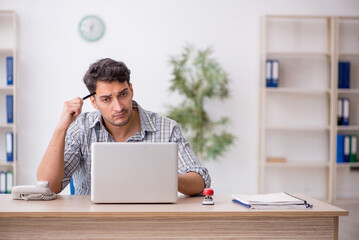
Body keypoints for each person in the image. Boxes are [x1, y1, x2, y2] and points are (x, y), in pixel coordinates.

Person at [37, 58, 211, 195]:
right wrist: (61, 128)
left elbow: (200, 180)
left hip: (148, 223)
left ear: (131, 90)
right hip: (91, 224)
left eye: (123, 94)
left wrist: (163, 177)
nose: (119, 106)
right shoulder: (81, 128)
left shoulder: (166, 127)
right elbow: (48, 186)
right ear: (94, 102)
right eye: (106, 99)